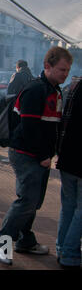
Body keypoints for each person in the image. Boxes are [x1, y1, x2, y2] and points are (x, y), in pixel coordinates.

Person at [0, 46, 73, 265]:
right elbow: (29, 127)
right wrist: (42, 155)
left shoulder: (54, 90)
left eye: (67, 70)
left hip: (39, 156)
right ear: (47, 66)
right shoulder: (35, 90)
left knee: (33, 202)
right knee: (26, 201)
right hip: (26, 154)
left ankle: (26, 240)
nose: (65, 74)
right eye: (61, 70)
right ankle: (3, 242)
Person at [55, 75, 82, 269]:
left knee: (68, 206)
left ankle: (62, 247)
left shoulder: (73, 87)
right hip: (78, 161)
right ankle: (69, 253)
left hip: (67, 159)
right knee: (80, 210)